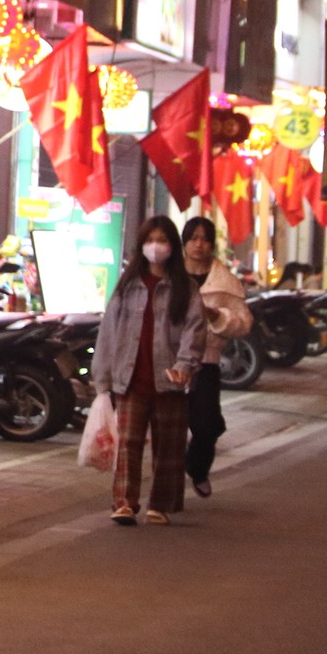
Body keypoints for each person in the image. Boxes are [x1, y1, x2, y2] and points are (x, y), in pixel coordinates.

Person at [92, 217, 206, 526]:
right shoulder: (127, 286)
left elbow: (194, 332)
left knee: (168, 446)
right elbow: (109, 332)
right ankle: (124, 503)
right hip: (130, 379)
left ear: (172, 247)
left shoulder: (186, 289)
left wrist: (184, 365)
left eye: (163, 240)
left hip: (169, 380)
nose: (156, 246)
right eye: (150, 239)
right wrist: (102, 377)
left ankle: (161, 503)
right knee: (128, 444)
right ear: (142, 245)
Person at [180, 216, 252, 498]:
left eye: (204, 239)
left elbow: (244, 324)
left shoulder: (225, 281)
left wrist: (216, 316)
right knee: (168, 426)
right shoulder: (170, 275)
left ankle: (197, 468)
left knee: (207, 425)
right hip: (168, 360)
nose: (199, 244)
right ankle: (165, 488)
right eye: (193, 238)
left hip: (206, 362)